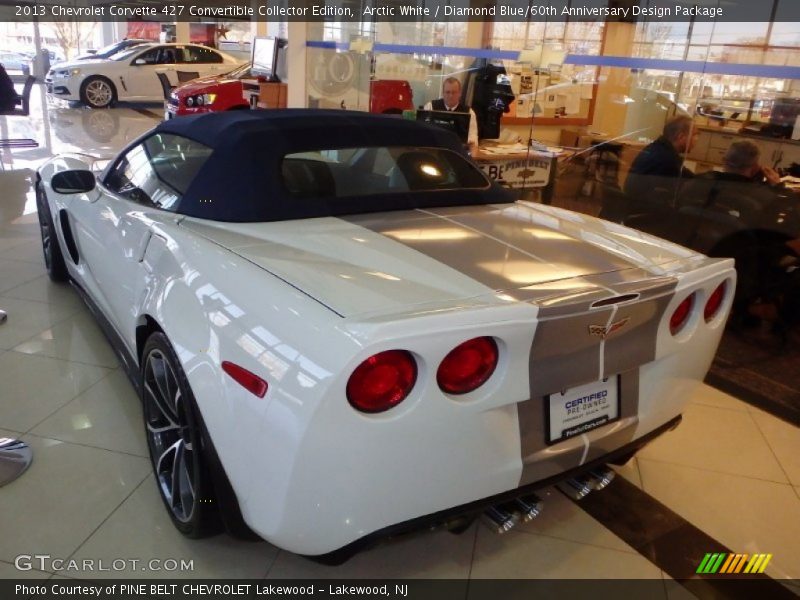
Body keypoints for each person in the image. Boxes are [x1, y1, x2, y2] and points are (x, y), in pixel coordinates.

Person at [678, 140, 800, 331]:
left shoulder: (698, 183)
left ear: (724, 159)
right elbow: (790, 229)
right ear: (756, 168)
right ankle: (777, 321)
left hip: (693, 255)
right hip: (742, 266)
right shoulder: (762, 197)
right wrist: (778, 188)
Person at [623, 115, 697, 208]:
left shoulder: (658, 148)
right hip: (643, 212)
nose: (696, 139)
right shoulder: (667, 158)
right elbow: (687, 187)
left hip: (633, 205)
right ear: (681, 136)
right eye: (694, 135)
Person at [423, 76, 479, 152]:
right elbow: (423, 134)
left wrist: (472, 161)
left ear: (460, 93)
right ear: (443, 93)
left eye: (454, 92)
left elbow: (473, 140)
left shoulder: (469, 112)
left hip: (459, 153)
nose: (450, 96)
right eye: (447, 92)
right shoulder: (430, 107)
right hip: (434, 151)